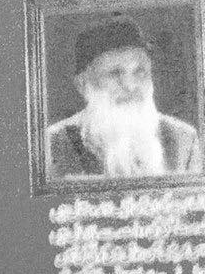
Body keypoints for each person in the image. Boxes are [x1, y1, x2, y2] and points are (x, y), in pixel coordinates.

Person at [45, 17, 204, 180]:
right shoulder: (52, 144)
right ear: (83, 85)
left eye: (140, 72)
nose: (130, 86)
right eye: (115, 73)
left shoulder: (183, 139)